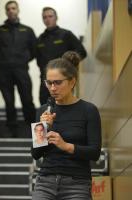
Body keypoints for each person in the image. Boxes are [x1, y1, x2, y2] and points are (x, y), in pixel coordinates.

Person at [31, 51, 101, 199]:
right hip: (45, 181)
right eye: (49, 83)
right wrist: (43, 128)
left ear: (72, 82)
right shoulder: (43, 110)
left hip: (77, 183)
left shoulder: (88, 110)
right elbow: (36, 155)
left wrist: (66, 146)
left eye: (57, 82)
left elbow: (94, 153)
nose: (53, 88)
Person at [0, 1, 37, 136]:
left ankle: (33, 130)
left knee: (27, 100)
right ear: (6, 12)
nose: (11, 11)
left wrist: (23, 60)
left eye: (13, 8)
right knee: (9, 102)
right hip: (4, 71)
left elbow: (34, 50)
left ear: (18, 10)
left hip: (21, 70)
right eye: (8, 9)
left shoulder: (27, 31)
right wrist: (3, 61)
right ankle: (13, 131)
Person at [36, 7, 87, 105]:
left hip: (63, 79)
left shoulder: (66, 35)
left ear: (56, 17)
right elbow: (38, 59)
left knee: (64, 106)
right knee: (44, 105)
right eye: (45, 17)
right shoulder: (40, 39)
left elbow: (82, 52)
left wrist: (69, 64)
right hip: (45, 80)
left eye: (50, 16)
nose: (47, 19)